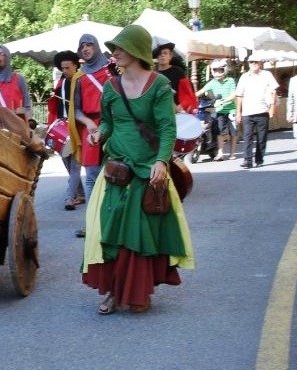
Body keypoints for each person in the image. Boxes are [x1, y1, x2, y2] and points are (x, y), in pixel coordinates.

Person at [82, 24, 195, 315]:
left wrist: (161, 161)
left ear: (136, 51)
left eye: (120, 48)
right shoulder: (110, 87)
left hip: (147, 170)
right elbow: (108, 122)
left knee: (139, 233)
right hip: (117, 168)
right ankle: (111, 292)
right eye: (114, 49)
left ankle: (138, 290)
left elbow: (167, 128)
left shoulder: (158, 85)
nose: (115, 53)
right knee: (110, 231)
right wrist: (99, 134)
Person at [73, 34, 112, 237]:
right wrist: (88, 123)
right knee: (90, 177)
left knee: (114, 173)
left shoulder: (111, 70)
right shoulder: (79, 77)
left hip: (113, 124)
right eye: (82, 46)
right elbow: (76, 110)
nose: (86, 49)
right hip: (90, 127)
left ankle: (112, 221)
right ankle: (91, 222)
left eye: (89, 45)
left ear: (96, 47)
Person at [46, 50, 85, 210]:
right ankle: (81, 193)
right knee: (67, 162)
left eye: (68, 67)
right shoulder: (61, 82)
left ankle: (69, 197)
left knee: (75, 164)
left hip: (77, 127)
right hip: (62, 126)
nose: (65, 71)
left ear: (76, 66)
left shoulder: (82, 80)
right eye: (63, 68)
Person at [235, 56, 279, 169]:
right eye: (251, 62)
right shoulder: (244, 77)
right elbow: (239, 95)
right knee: (247, 136)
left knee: (261, 137)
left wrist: (272, 108)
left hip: (262, 110)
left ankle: (259, 158)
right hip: (247, 112)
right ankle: (247, 160)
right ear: (248, 63)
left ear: (260, 63)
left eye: (256, 62)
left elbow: (274, 91)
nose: (253, 63)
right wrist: (238, 112)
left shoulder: (266, 75)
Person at [196, 59, 238, 160]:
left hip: (231, 110)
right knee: (219, 132)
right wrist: (190, 98)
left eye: (220, 70)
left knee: (233, 132)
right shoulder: (212, 83)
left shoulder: (230, 81)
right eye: (215, 70)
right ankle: (220, 153)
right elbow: (201, 91)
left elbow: (234, 94)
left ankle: (232, 154)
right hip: (219, 110)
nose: (218, 72)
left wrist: (223, 101)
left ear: (225, 70)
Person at [153, 42, 198, 114]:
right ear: (157, 57)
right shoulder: (153, 73)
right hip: (159, 110)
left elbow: (188, 91)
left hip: (178, 110)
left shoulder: (178, 71)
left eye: (165, 53)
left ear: (170, 56)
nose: (162, 55)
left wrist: (183, 105)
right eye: (159, 53)